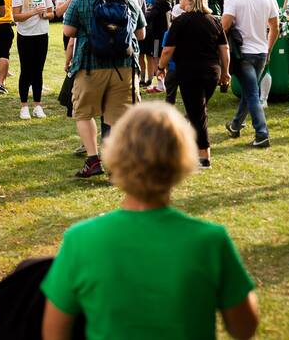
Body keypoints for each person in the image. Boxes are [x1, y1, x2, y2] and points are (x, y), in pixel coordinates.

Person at [41, 103, 259, 339]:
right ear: (182, 158)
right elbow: (244, 328)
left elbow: (54, 333)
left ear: (115, 155)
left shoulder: (80, 240)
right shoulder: (210, 241)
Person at [63, 0, 146, 178]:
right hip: (124, 66)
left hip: (90, 64)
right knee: (118, 117)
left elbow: (68, 31)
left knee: (83, 112)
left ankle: (93, 160)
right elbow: (141, 34)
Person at [156, 0, 230, 168]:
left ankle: (203, 157)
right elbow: (224, 49)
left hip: (189, 71)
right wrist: (225, 71)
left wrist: (160, 67)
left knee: (198, 114)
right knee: (197, 111)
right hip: (212, 72)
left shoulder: (180, 22)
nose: (180, 1)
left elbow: (167, 50)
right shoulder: (214, 21)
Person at [222, 0, 280, 148]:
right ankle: (235, 125)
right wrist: (269, 47)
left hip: (243, 53)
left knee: (252, 93)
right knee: (250, 91)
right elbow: (275, 27)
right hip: (261, 51)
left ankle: (262, 133)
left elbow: (225, 25)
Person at [11, 0, 53, 120]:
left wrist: (45, 15)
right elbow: (16, 17)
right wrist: (34, 12)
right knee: (26, 71)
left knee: (38, 71)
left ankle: (37, 105)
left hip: (42, 34)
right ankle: (24, 106)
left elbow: (51, 12)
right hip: (26, 35)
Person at [144, 0, 171, 93]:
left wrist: (143, 14)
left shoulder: (160, 2)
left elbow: (151, 16)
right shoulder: (165, 1)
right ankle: (165, 83)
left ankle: (161, 84)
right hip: (163, 34)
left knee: (157, 59)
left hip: (157, 35)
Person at [252, 0, 273, 107]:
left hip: (264, 34)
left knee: (265, 66)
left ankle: (263, 98)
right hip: (249, 35)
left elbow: (273, 18)